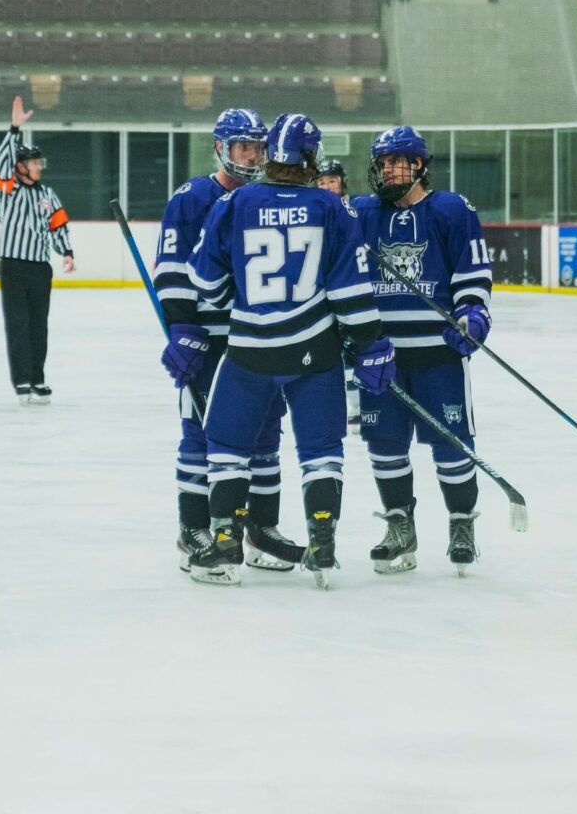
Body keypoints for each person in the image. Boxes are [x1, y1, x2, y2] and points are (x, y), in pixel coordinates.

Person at [186, 113, 394, 588]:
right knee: (321, 450)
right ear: (309, 157)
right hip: (313, 354)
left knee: (228, 449)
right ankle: (322, 541)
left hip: (248, 352)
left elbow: (205, 282)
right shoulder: (330, 207)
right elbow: (350, 292)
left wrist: (228, 303)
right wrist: (370, 344)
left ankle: (224, 540)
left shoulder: (235, 203)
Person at [155, 108, 295, 579]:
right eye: (242, 147)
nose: (251, 156)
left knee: (265, 434)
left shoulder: (268, 197)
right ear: (220, 148)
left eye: (258, 147)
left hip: (261, 338)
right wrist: (183, 329)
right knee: (200, 435)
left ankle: (261, 528)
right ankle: (193, 528)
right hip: (210, 341)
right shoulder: (193, 197)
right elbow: (172, 271)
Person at [351, 125, 492, 575]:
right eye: (382, 162)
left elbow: (472, 273)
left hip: (437, 354)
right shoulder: (363, 213)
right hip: (381, 356)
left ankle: (461, 524)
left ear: (419, 165)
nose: (387, 170)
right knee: (385, 445)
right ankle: (400, 528)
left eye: (397, 161)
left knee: (452, 444)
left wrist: (472, 316)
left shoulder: (450, 209)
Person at [0, 96, 75, 405]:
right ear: (20, 167)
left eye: (40, 162)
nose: (39, 166)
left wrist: (66, 252)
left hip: (40, 268)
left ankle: (38, 378)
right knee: (18, 325)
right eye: (33, 162)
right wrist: (14, 128)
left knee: (39, 326)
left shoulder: (47, 194)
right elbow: (0, 162)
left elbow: (58, 225)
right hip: (13, 266)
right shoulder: (8, 189)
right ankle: (22, 381)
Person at [315, 159, 360, 432]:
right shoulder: (313, 213)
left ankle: (369, 403)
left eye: (331, 180)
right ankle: (351, 405)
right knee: (339, 352)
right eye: (321, 182)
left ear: (342, 182)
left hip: (355, 289)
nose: (327, 186)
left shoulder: (357, 210)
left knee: (360, 347)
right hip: (324, 293)